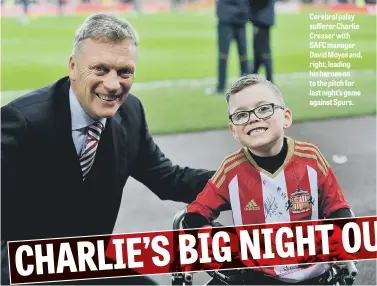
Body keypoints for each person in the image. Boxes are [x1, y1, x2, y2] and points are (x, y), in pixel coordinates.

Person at [1, 13, 215, 285]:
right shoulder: (22, 122)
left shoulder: (131, 112)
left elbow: (167, 178)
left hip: (88, 262)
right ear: (73, 67)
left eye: (124, 71)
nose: (113, 85)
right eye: (100, 69)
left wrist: (239, 180)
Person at [183, 74, 355, 284]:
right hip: (256, 276)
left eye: (264, 109)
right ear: (233, 131)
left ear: (286, 117)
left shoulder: (310, 158)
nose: (253, 118)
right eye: (241, 115)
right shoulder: (231, 169)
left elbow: (338, 208)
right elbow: (195, 215)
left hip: (314, 275)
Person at [205, 0, 249, 96]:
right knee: (242, 55)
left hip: (228, 17)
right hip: (239, 16)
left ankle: (221, 87)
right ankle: (246, 86)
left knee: (225, 55)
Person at [249, 0, 275, 83]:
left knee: (263, 50)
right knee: (259, 49)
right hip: (263, 18)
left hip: (262, 19)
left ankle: (269, 78)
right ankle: (254, 75)